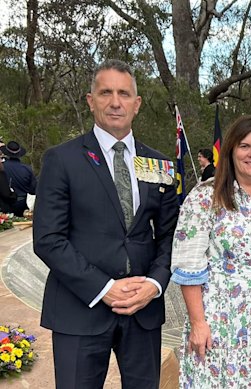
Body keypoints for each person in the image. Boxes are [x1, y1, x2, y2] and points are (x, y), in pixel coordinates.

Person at [33, 59, 179, 388]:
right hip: (79, 310)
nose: (115, 102)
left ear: (137, 104)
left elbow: (172, 234)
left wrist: (154, 284)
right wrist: (105, 288)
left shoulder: (159, 164)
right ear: (91, 100)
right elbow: (48, 239)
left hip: (143, 312)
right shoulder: (62, 159)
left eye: (124, 93)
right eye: (106, 92)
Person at [171, 115, 251, 388]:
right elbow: (189, 263)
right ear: (231, 149)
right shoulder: (205, 196)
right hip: (219, 317)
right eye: (245, 146)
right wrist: (198, 323)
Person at [0, 140, 37, 216]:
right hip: (23, 203)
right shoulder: (27, 169)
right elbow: (33, 188)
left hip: (6, 203)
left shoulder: (2, 167)